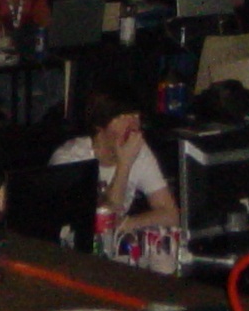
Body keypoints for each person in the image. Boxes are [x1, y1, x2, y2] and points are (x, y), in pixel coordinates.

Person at [50, 90, 178, 232]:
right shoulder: (71, 158)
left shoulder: (138, 150)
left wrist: (127, 224)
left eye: (135, 115)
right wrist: (124, 165)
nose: (133, 124)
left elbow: (170, 214)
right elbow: (101, 222)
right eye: (122, 117)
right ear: (99, 123)